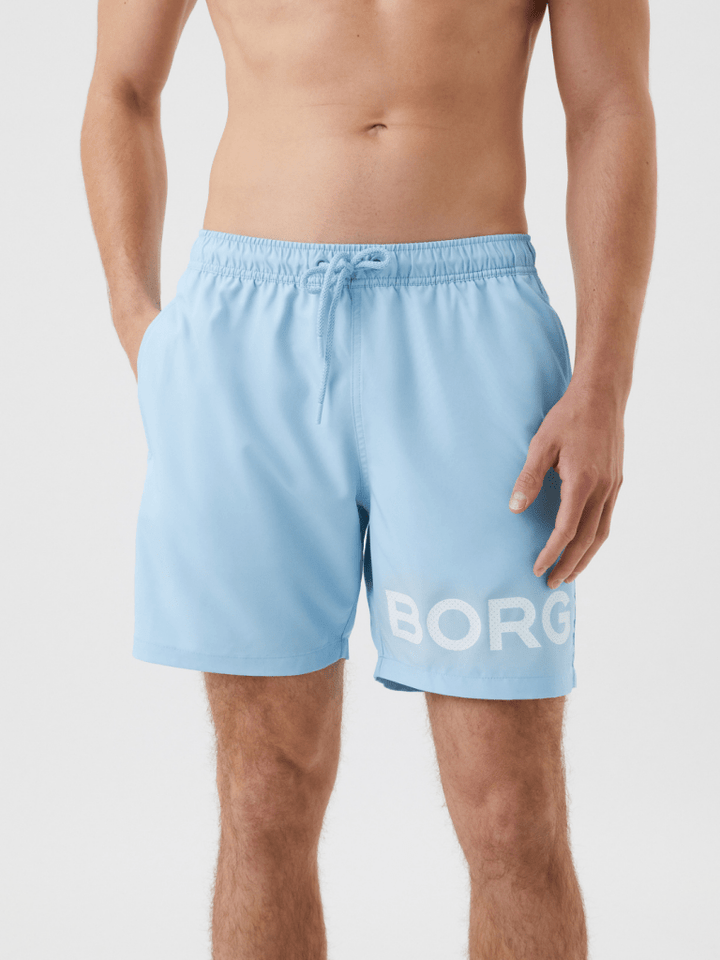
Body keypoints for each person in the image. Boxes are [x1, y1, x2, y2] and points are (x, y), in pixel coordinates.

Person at [80, 0, 656, 955]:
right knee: (264, 795)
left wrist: (604, 382)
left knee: (511, 812)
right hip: (245, 338)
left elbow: (611, 106)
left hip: (474, 333)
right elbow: (122, 88)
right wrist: (139, 322)